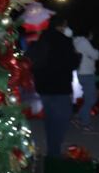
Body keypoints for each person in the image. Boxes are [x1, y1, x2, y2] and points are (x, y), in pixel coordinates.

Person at [26, 14, 77, 157]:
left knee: (50, 119)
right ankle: (54, 151)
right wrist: (77, 57)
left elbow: (32, 61)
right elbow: (72, 63)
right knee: (62, 119)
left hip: (44, 85)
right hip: (60, 86)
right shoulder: (65, 41)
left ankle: (52, 150)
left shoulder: (40, 40)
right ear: (62, 25)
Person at [72, 26, 99, 134]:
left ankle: (80, 117)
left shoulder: (76, 41)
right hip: (87, 72)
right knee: (91, 99)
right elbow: (95, 55)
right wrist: (96, 52)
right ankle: (84, 122)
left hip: (81, 72)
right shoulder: (84, 42)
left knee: (89, 98)